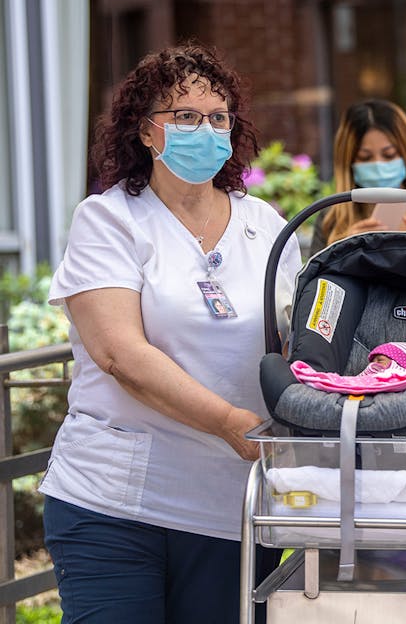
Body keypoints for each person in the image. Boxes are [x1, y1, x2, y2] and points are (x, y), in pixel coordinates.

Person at [41, 43, 302, 624]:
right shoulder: (108, 220)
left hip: (234, 509)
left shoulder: (268, 228)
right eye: (184, 116)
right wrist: (233, 423)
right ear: (145, 131)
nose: (203, 129)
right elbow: (120, 355)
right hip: (115, 504)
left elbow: (296, 352)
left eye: (217, 117)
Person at [309, 99, 406, 253]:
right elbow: (314, 277)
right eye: (365, 157)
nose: (378, 165)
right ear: (348, 162)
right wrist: (342, 251)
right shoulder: (330, 220)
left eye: (389, 155)